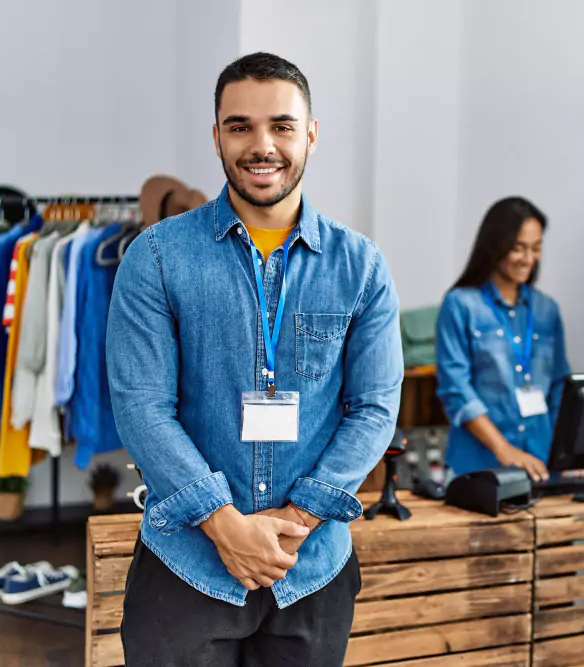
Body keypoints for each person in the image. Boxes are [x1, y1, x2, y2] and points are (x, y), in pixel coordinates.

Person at [107, 52, 403, 666]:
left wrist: (294, 520)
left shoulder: (362, 267)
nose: (261, 145)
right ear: (216, 136)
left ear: (311, 135)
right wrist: (225, 524)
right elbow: (141, 406)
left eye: (282, 126)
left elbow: (374, 408)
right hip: (186, 567)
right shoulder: (156, 258)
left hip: (311, 568)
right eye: (240, 126)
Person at [435, 197, 571, 482]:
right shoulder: (460, 305)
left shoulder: (547, 309)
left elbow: (560, 386)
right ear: (494, 246)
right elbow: (455, 389)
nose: (528, 259)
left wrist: (569, 453)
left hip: (541, 463)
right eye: (518, 248)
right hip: (478, 467)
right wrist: (504, 449)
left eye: (536, 248)